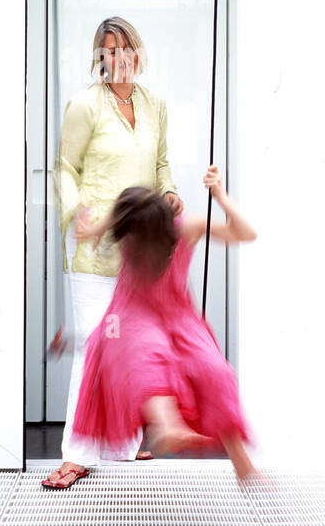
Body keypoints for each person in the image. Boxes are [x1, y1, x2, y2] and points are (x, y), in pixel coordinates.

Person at [41, 17, 184, 490]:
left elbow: (161, 164)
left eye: (127, 49)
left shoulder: (155, 105)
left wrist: (170, 194)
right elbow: (65, 167)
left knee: (130, 344)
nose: (119, 58)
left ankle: (122, 442)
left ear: (138, 54)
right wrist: (76, 210)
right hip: (94, 245)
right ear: (99, 58)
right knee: (92, 344)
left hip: (139, 246)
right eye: (109, 50)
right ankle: (78, 454)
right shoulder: (84, 105)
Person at [70, 166, 260, 485]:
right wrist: (87, 226)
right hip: (129, 313)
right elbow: (95, 227)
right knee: (149, 353)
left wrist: (221, 196)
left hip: (177, 314)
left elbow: (246, 234)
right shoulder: (128, 220)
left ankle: (244, 467)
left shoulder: (187, 228)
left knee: (215, 370)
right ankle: (168, 426)